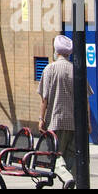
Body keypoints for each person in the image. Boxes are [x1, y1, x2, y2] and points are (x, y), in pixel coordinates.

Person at [38, 36, 78, 172]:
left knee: (55, 154)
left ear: (56, 51)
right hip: (74, 121)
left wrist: (41, 119)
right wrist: (88, 122)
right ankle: (71, 180)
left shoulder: (50, 69)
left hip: (55, 120)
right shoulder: (76, 69)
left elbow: (45, 98)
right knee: (71, 155)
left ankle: (66, 178)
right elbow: (86, 99)